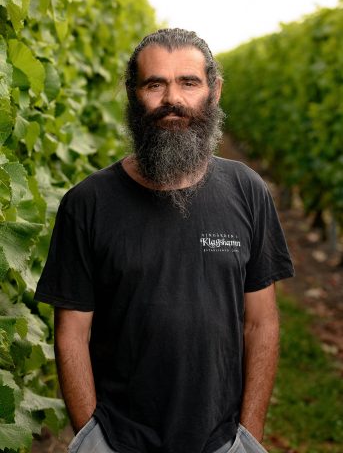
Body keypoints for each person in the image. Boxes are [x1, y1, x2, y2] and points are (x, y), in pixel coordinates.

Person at [34, 28, 294, 453]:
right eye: (155, 84)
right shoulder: (87, 203)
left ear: (214, 91)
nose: (172, 99)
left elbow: (261, 322)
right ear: (134, 94)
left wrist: (249, 435)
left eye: (188, 82)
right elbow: (71, 334)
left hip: (223, 442)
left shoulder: (247, 190)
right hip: (118, 442)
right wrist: (91, 439)